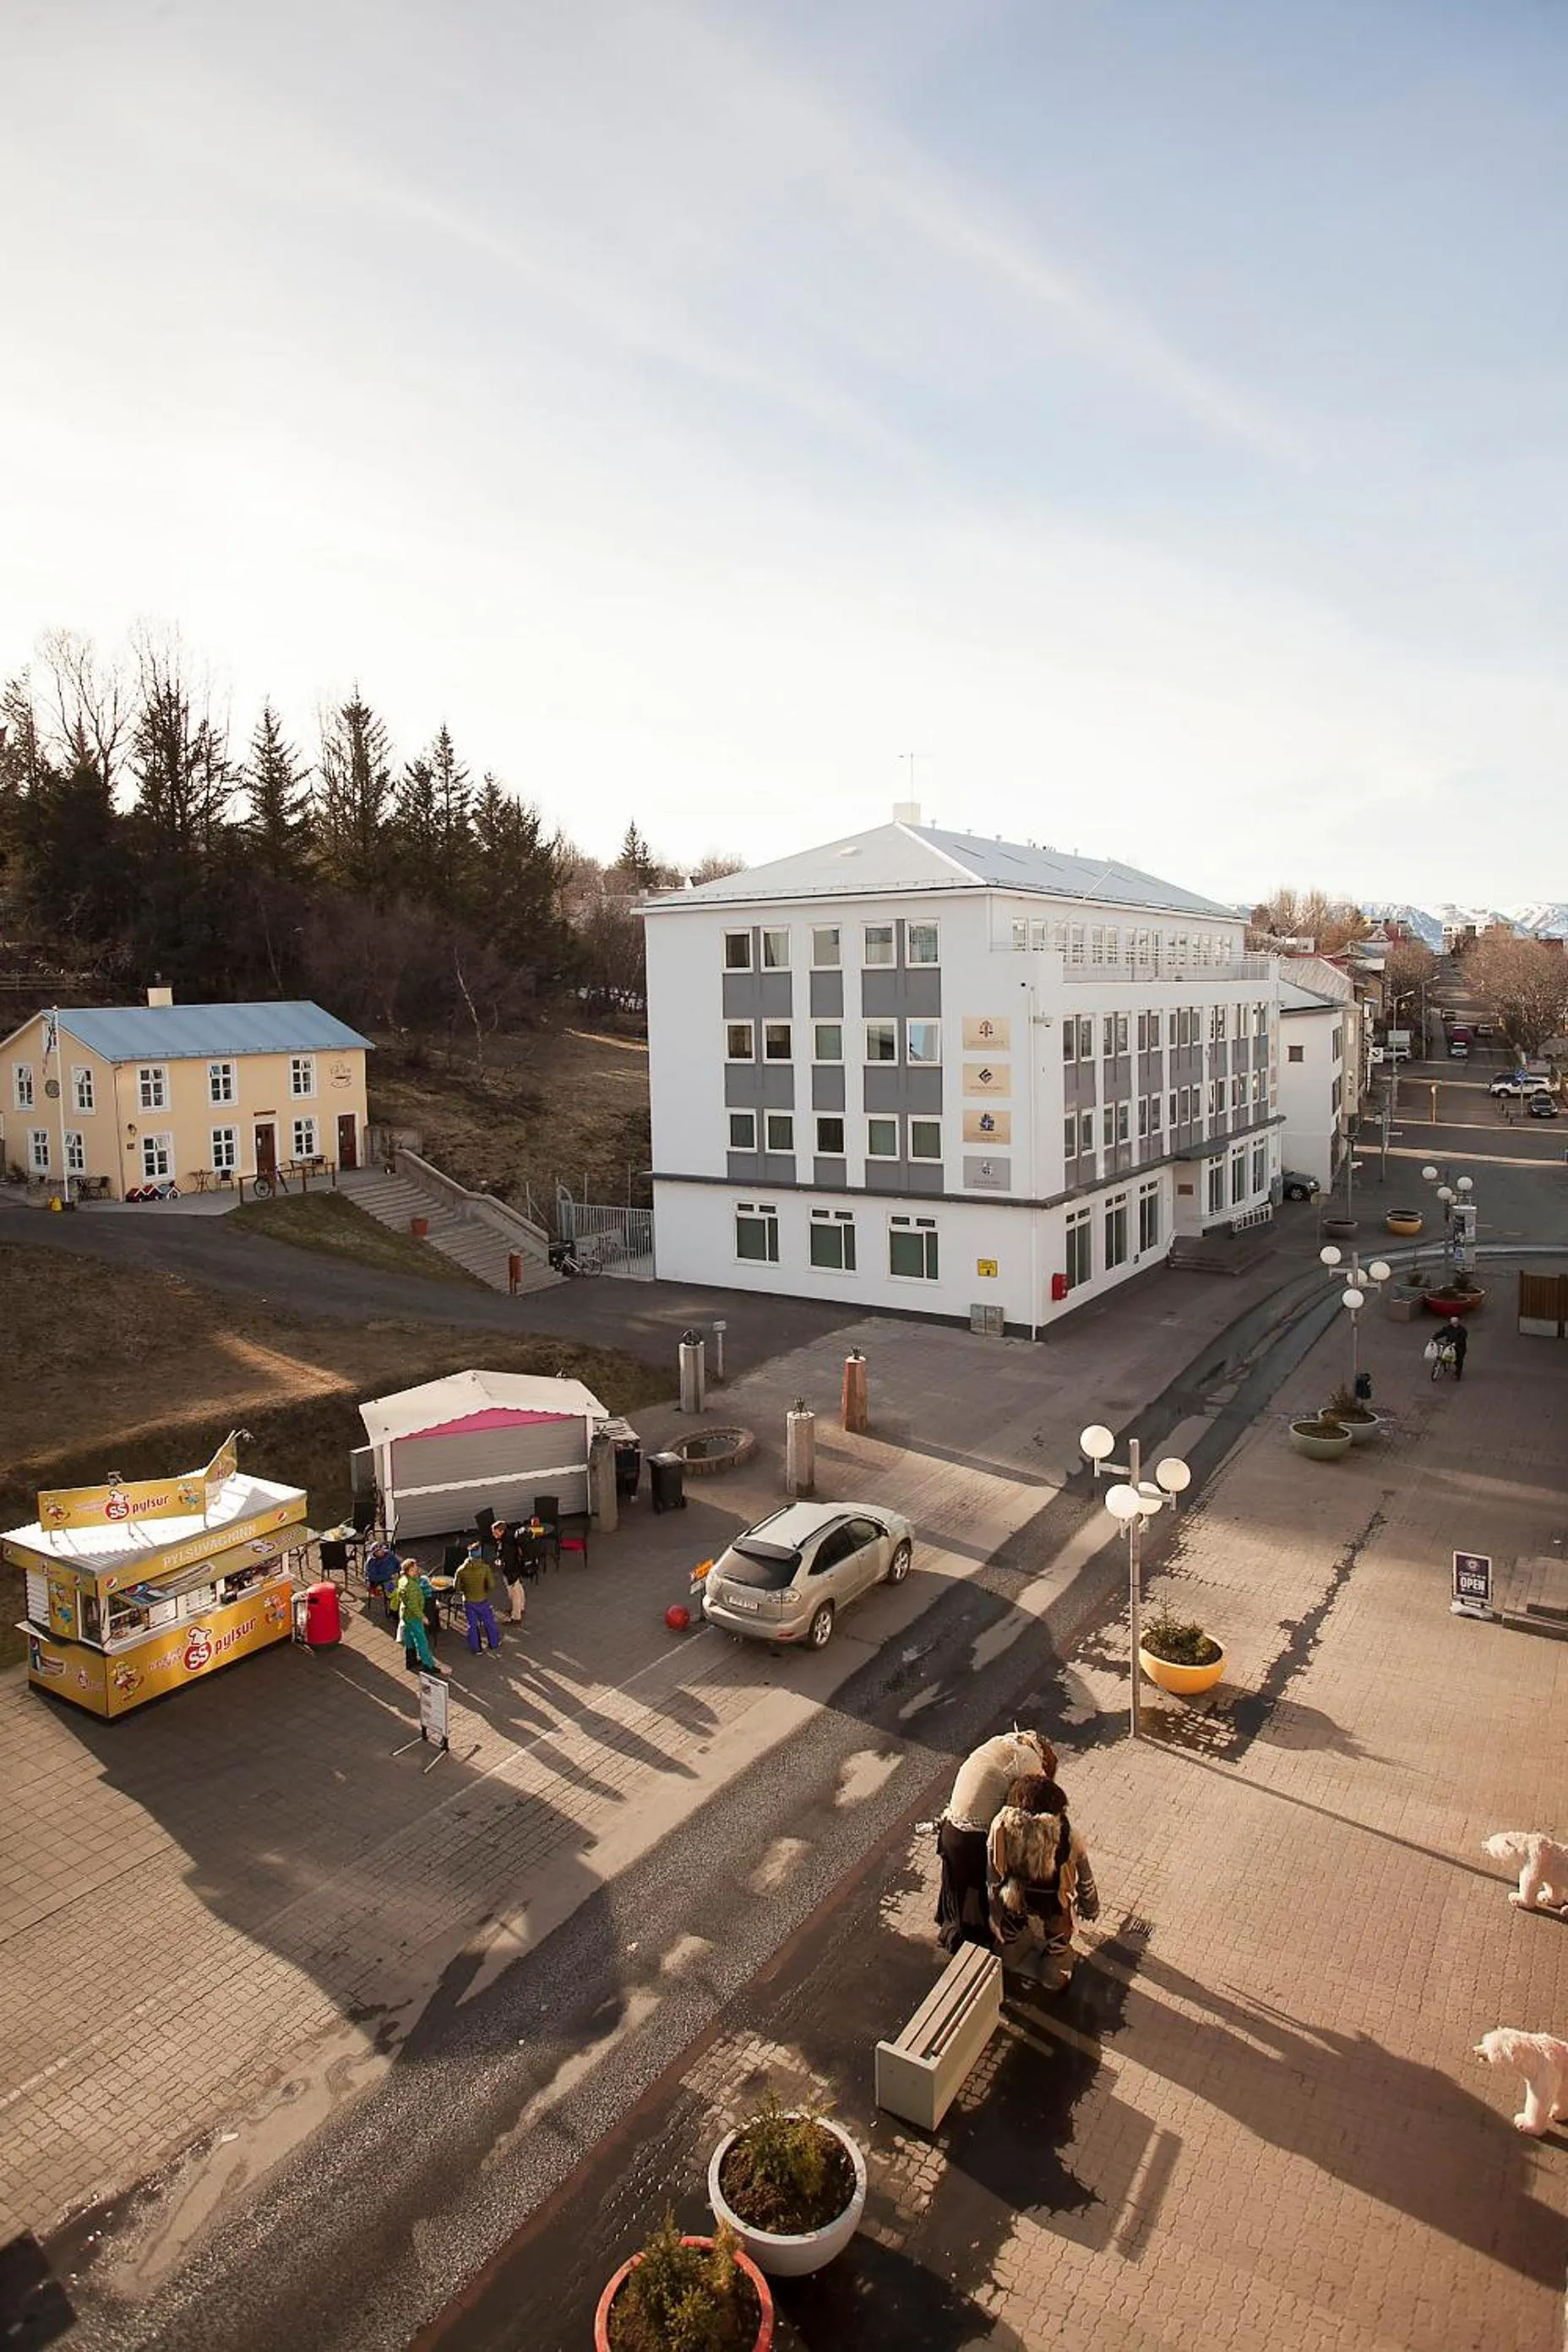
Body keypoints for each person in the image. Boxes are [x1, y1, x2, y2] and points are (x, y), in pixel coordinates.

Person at [934, 1729, 1058, 1955]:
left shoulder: (1004, 1741)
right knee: (981, 1896)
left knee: (958, 1890)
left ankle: (952, 1932)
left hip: (950, 1829)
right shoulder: (1029, 1763)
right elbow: (1031, 1806)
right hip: (973, 1841)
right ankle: (982, 1947)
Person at [987, 1774, 1099, 1992]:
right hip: (1055, 1901)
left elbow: (993, 1875)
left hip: (1015, 1895)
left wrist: (995, 1913)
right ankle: (1052, 1971)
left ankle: (1011, 1951)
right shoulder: (1068, 1835)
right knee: (1058, 1938)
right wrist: (1091, 1906)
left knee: (1011, 1932)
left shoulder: (1001, 1826)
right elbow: (1085, 1876)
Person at [394, 1560, 447, 1677]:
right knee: (421, 1641)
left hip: (405, 1614)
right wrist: (423, 1617)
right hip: (413, 1616)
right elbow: (413, 1605)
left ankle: (411, 1660)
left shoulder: (403, 1580)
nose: (416, 1571)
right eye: (413, 1569)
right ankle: (428, 1665)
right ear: (408, 1571)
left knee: (409, 1638)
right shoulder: (411, 1586)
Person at [456, 1540, 502, 1654]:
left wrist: (464, 1590)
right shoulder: (485, 1568)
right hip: (482, 1600)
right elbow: (491, 1585)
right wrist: (484, 1590)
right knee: (489, 1622)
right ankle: (494, 1643)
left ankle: (476, 1649)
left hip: (468, 1601)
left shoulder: (461, 1570)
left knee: (472, 1625)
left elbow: (456, 1587)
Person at [494, 1521, 526, 1624]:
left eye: (495, 1532)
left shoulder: (506, 1543)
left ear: (502, 1531)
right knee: (518, 1587)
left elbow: (508, 1559)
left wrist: (501, 1563)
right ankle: (521, 1608)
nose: (494, 1535)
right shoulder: (510, 1536)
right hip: (516, 1568)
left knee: (514, 1592)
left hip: (511, 1571)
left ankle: (516, 1617)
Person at [363, 1539, 400, 1624]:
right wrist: (388, 1577)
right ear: (374, 1553)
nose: (381, 1552)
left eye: (382, 1550)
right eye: (378, 1551)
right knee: (395, 1594)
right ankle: (393, 1613)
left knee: (406, 1588)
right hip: (383, 1582)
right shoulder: (371, 1562)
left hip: (394, 1577)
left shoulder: (389, 1555)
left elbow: (398, 1565)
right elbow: (373, 1577)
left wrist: (396, 1573)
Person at [1446, 1316, 1468, 1383]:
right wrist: (1434, 1337)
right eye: (1453, 1323)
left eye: (1455, 1323)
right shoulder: (1448, 1328)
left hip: (1460, 1348)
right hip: (1450, 1346)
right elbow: (1441, 1333)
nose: (1454, 1324)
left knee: (1459, 1361)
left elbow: (1462, 1338)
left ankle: (1458, 1374)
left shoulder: (1462, 1330)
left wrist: (1456, 1343)